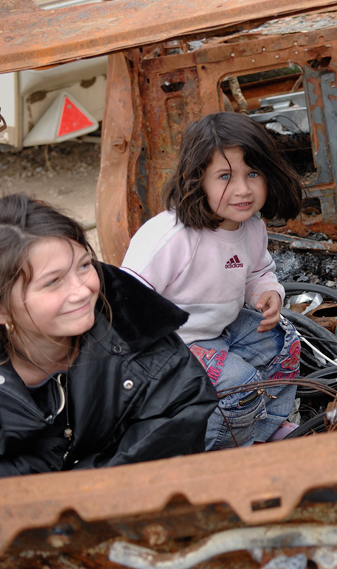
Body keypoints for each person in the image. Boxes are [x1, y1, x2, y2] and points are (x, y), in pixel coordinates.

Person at [0, 194, 216, 485]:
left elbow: (173, 443)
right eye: (53, 281)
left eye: (83, 266)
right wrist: (57, 452)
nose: (83, 291)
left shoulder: (146, 342)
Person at [122, 111, 304, 449]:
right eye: (225, 176)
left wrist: (267, 292)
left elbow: (257, 272)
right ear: (197, 179)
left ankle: (267, 427)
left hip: (217, 332)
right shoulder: (173, 237)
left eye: (253, 173)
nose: (243, 189)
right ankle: (221, 450)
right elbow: (128, 298)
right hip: (167, 347)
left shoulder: (252, 228)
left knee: (284, 342)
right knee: (240, 384)